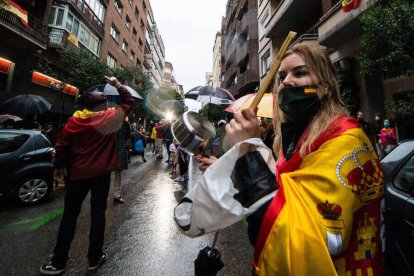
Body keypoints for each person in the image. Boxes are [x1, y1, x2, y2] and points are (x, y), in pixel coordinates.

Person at [196, 43, 384, 275]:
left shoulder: (346, 141)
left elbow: (308, 243)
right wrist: (230, 168)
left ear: (324, 86)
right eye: (282, 76)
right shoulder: (298, 139)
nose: (286, 81)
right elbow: (279, 193)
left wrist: (246, 153)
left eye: (300, 73)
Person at [39, 76, 134, 275]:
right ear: (103, 105)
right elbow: (128, 100)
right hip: (101, 175)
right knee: (98, 215)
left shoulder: (74, 122)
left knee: (69, 217)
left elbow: (62, 146)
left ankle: (58, 262)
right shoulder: (111, 118)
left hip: (77, 175)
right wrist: (117, 84)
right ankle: (94, 257)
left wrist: (58, 167)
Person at [113, 118, 132, 204]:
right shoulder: (110, 121)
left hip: (120, 148)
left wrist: (125, 145)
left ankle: (116, 195)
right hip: (109, 148)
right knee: (105, 174)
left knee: (118, 172)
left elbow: (128, 137)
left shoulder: (126, 124)